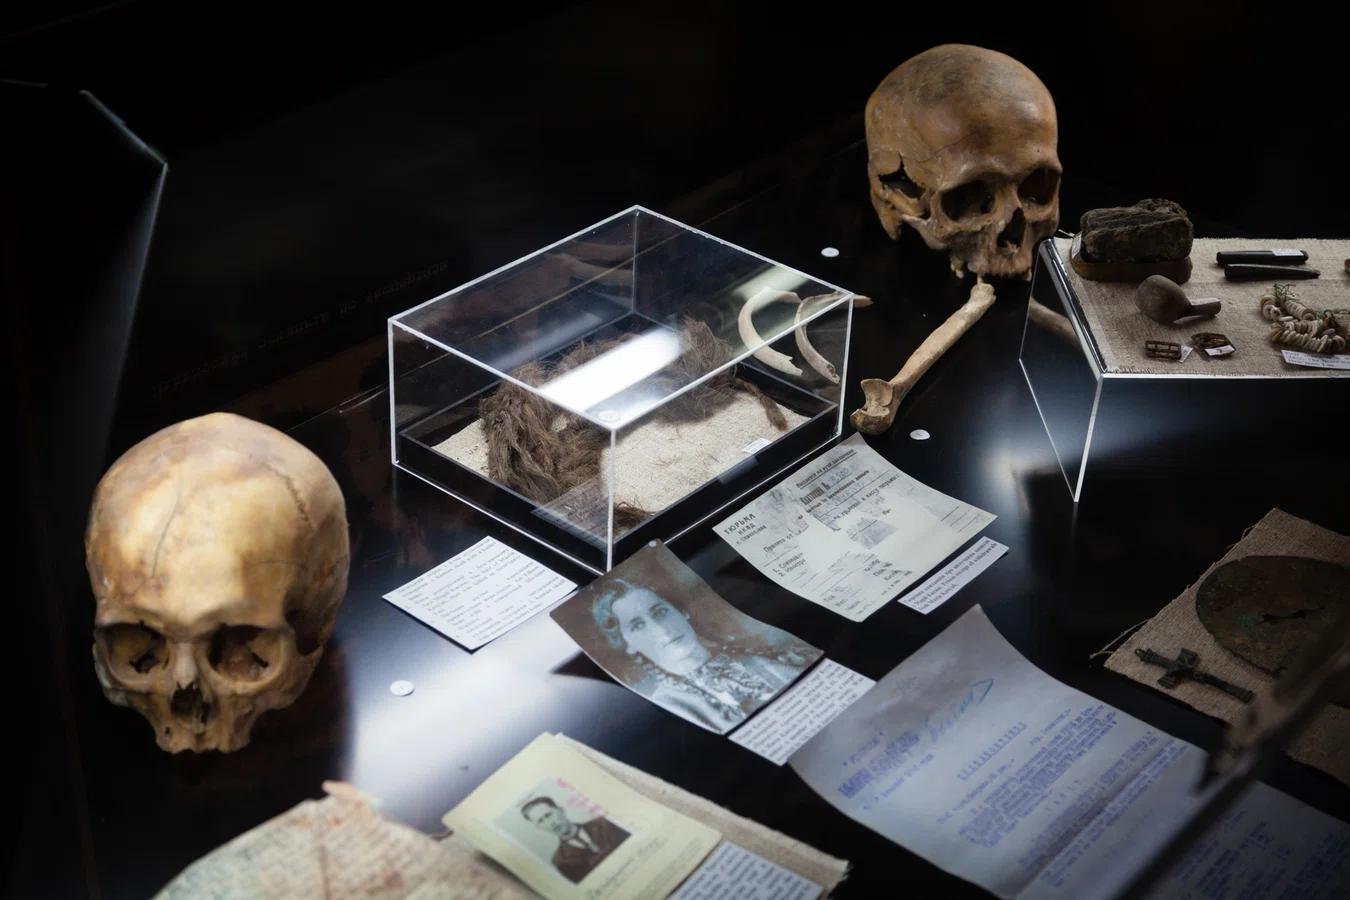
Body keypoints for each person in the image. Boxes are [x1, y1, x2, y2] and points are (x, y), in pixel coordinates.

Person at [591, 580, 815, 731]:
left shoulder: (772, 656)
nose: (661, 629)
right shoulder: (671, 706)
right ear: (627, 644)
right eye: (638, 625)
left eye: (660, 612)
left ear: (682, 612)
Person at [520, 796, 630, 884]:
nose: (550, 823)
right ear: (539, 828)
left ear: (561, 811)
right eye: (540, 821)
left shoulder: (604, 824)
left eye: (548, 815)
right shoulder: (561, 862)